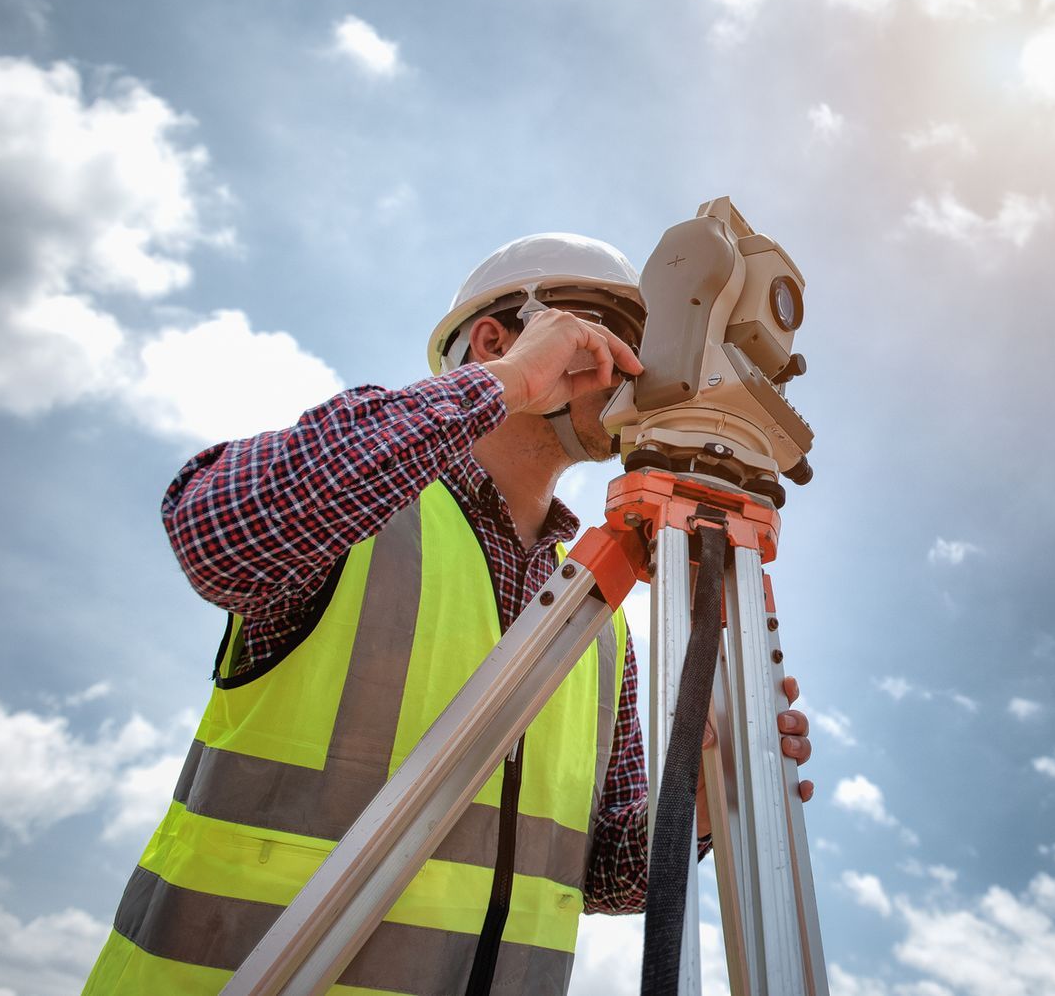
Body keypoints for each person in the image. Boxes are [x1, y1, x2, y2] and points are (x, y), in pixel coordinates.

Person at [81, 232, 814, 996]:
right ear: (496, 337)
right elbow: (220, 534)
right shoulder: (366, 512)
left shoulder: (599, 615)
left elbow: (606, 877)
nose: (639, 365)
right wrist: (505, 383)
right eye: (611, 336)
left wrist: (705, 791)